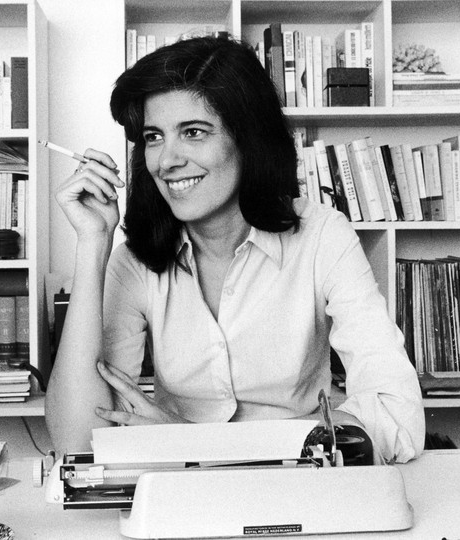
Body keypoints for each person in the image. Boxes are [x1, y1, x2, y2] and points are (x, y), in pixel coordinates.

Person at [46, 36, 425, 464]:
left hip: (297, 492)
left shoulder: (322, 235)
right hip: (182, 496)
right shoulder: (135, 260)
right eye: (154, 137)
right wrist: (92, 243)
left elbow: (398, 416)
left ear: (249, 140)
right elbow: (77, 443)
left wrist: (201, 446)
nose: (165, 161)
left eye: (193, 132)